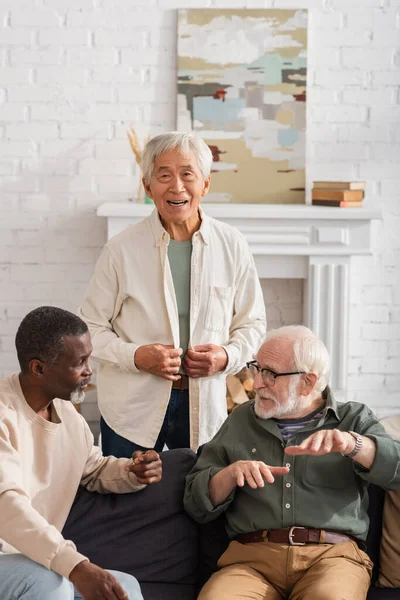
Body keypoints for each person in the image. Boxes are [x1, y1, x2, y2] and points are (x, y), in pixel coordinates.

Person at [78, 131, 266, 457]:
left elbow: (253, 324)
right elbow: (88, 328)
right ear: (148, 187)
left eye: (187, 174)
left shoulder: (232, 245)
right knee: (126, 499)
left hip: (205, 406)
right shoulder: (120, 250)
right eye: (164, 175)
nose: (176, 186)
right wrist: (137, 356)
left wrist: (226, 357)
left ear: (205, 185)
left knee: (200, 500)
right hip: (131, 408)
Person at [184, 325, 400, 600]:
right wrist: (229, 474)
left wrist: (353, 445)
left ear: (308, 382)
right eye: (256, 368)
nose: (257, 382)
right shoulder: (240, 420)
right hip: (250, 562)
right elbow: (194, 502)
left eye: (270, 373)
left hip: (332, 558)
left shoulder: (353, 418)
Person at [0, 306, 162, 600]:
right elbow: (7, 507)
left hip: (34, 558)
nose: (90, 370)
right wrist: (75, 566)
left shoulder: (67, 416)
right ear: (39, 368)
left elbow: (94, 468)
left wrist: (133, 471)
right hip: (11, 559)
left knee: (124, 587)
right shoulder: (3, 413)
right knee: (51, 584)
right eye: (80, 362)